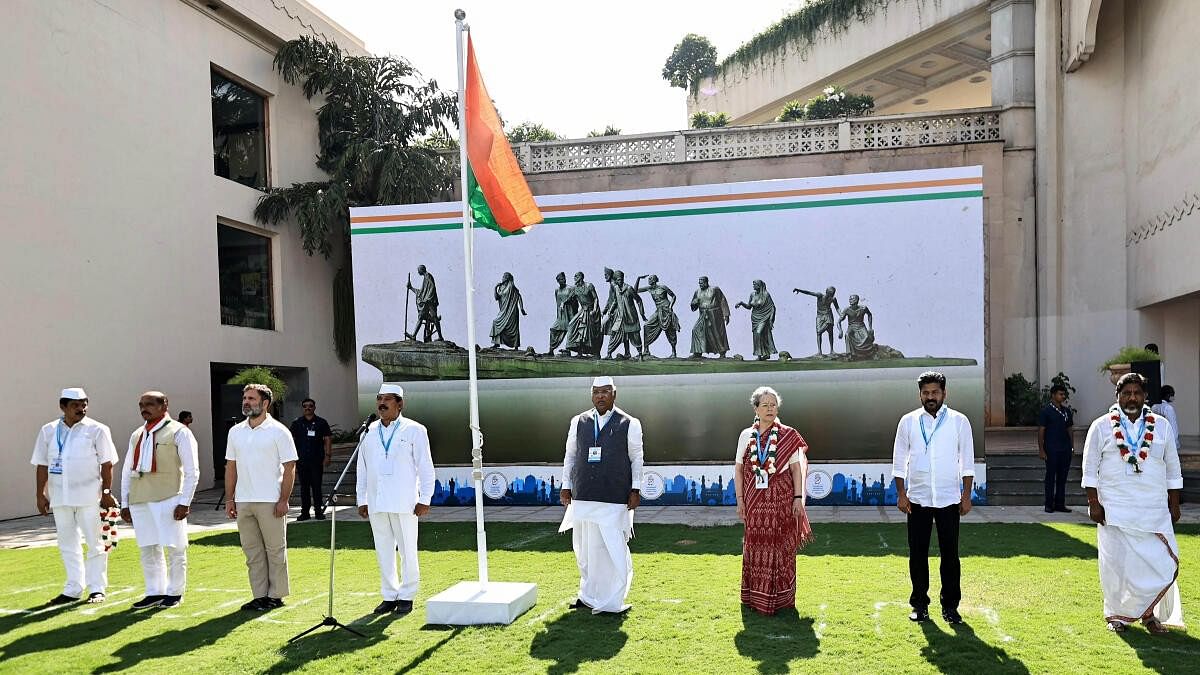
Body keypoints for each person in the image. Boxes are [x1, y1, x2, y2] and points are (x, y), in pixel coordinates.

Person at [1082, 372, 1183, 633]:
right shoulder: (1101, 426)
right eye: (1126, 393)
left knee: (1157, 562)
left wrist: (1175, 503)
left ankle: (1149, 615)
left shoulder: (1161, 426)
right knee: (1117, 565)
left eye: (1137, 392)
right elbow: (1090, 468)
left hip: (1153, 508)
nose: (1132, 397)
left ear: (1145, 396)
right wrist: (1093, 503)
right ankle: (1117, 616)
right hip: (1114, 508)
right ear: (1117, 396)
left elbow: (1173, 468)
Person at [891, 371, 976, 624]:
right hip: (917, 500)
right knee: (917, 555)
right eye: (926, 393)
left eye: (935, 392)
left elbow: (967, 462)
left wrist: (967, 495)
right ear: (920, 394)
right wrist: (901, 494)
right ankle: (919, 605)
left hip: (949, 499)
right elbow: (899, 460)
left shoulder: (959, 421)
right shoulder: (908, 421)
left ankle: (950, 607)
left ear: (944, 394)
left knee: (950, 555)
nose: (930, 397)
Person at [559, 376, 644, 614]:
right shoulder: (579, 421)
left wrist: (635, 489)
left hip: (614, 495)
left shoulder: (630, 423)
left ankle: (613, 600)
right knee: (585, 550)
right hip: (584, 493)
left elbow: (637, 457)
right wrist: (566, 485)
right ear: (591, 394)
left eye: (605, 392)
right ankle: (587, 596)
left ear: (614, 394)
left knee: (613, 549)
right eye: (596, 392)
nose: (600, 396)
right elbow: (570, 455)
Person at [30, 387, 120, 605]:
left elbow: (107, 463)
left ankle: (97, 588)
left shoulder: (97, 429)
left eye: (84, 404)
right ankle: (73, 588)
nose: (81, 409)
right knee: (67, 543)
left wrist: (106, 493)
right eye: (75, 405)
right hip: (60, 497)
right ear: (63, 407)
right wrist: (40, 494)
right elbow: (42, 464)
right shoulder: (49, 430)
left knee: (95, 542)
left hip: (90, 496)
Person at [356, 384, 436, 614]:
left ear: (400, 404)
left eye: (387, 399)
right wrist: (362, 499)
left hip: (405, 501)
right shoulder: (368, 431)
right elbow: (362, 468)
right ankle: (389, 595)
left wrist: (425, 498)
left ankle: (407, 595)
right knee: (383, 550)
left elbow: (425, 467)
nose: (382, 403)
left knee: (407, 550)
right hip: (376, 501)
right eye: (379, 398)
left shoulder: (415, 430)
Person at [733, 386, 813, 615]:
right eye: (765, 405)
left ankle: (782, 599)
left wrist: (798, 498)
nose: (770, 409)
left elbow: (797, 469)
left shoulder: (788, 434)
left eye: (773, 405)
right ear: (755, 409)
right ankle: (754, 597)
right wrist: (740, 500)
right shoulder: (746, 436)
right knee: (755, 547)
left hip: (783, 501)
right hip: (754, 504)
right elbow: (738, 469)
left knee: (782, 549)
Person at [120, 391, 199, 609]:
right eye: (141, 405)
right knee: (148, 548)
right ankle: (154, 592)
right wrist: (125, 503)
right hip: (140, 499)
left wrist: (185, 501)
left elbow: (192, 470)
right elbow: (127, 470)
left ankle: (174, 592)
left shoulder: (179, 432)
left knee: (175, 547)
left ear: (164, 405)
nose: (144, 408)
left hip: (169, 497)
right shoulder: (137, 434)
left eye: (149, 404)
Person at [224, 384, 298, 612]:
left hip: (270, 500)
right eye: (245, 398)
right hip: (244, 501)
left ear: (265, 403)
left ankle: (275, 595)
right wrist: (230, 499)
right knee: (252, 552)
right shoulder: (235, 432)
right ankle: (259, 595)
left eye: (252, 398)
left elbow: (290, 467)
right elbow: (231, 467)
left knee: (275, 550)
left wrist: (284, 499)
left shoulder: (279, 431)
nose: (246, 402)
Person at [289, 398, 332, 521]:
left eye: (310, 406)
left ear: (314, 407)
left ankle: (318, 511)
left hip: (317, 460)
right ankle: (305, 512)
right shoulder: (297, 423)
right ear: (302, 408)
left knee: (317, 486)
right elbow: (290, 439)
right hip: (301, 460)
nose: (308, 408)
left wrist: (328, 456)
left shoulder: (321, 422)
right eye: (305, 406)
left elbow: (328, 439)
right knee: (304, 487)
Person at [1037, 383, 1075, 513]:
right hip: (1052, 448)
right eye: (1060, 394)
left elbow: (1070, 428)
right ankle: (1049, 504)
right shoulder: (1046, 411)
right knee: (1050, 477)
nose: (1063, 396)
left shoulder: (1066, 411)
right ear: (1053, 395)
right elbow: (1041, 430)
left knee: (1062, 477)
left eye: (1064, 394)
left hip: (1065, 448)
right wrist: (1041, 449)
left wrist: (1072, 446)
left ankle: (1060, 503)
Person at [603, 271, 646, 359]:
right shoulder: (615, 288)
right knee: (615, 333)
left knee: (635, 336)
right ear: (615, 280)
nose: (620, 281)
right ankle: (609, 354)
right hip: (621, 317)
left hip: (631, 317)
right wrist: (610, 311)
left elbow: (639, 300)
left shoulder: (629, 288)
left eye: (621, 279)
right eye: (618, 280)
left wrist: (642, 314)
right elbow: (615, 301)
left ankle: (640, 355)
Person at [635, 274, 680, 358]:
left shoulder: (663, 287)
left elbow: (673, 296)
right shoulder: (649, 288)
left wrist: (670, 307)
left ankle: (674, 352)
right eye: (649, 279)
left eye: (650, 279)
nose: (649, 280)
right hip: (658, 310)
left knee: (670, 330)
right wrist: (638, 279)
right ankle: (646, 350)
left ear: (655, 280)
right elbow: (635, 290)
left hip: (667, 310)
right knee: (646, 325)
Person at [689, 276, 731, 358]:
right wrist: (694, 303)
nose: (700, 285)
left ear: (706, 282)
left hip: (715, 314)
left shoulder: (715, 289)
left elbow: (722, 300)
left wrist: (726, 314)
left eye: (702, 283)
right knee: (696, 330)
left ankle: (722, 352)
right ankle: (697, 352)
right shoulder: (697, 292)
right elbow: (693, 307)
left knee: (717, 332)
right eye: (699, 283)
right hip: (703, 314)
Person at [735, 280, 777, 361]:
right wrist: (741, 303)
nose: (753, 286)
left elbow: (772, 308)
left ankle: (763, 353)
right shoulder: (752, 294)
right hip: (755, 318)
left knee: (759, 333)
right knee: (756, 335)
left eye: (755, 284)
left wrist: (771, 320)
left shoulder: (766, 294)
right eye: (753, 284)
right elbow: (749, 306)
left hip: (764, 316)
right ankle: (761, 355)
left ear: (759, 285)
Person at [792, 286, 840, 355]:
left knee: (830, 332)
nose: (831, 295)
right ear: (826, 292)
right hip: (819, 316)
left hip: (828, 315)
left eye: (832, 294)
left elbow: (837, 308)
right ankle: (819, 351)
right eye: (830, 294)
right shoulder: (820, 295)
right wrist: (799, 290)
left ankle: (831, 350)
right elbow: (809, 293)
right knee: (818, 332)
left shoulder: (833, 299)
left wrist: (841, 314)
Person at [564, 271, 601, 357]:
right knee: (572, 325)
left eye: (576, 276)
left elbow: (595, 298)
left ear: (580, 277)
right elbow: (569, 298)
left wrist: (595, 309)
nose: (574, 278)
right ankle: (578, 351)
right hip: (582, 311)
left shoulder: (589, 286)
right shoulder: (574, 288)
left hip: (591, 311)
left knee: (589, 332)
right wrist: (563, 303)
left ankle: (595, 352)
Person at [407, 264, 444, 342]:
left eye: (418, 270)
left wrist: (427, 298)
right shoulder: (425, 278)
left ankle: (440, 337)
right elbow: (421, 292)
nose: (417, 272)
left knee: (434, 318)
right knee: (420, 317)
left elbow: (432, 287)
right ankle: (413, 336)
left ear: (421, 270)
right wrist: (411, 288)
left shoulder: (428, 276)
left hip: (430, 301)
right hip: (426, 302)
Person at [490, 272, 527, 349]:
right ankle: (496, 343)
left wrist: (522, 308)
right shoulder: (501, 287)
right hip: (504, 310)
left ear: (508, 278)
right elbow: (497, 298)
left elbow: (519, 296)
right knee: (496, 322)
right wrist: (495, 288)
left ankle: (516, 345)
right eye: (503, 276)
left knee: (513, 328)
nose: (503, 277)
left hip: (512, 309)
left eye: (505, 276)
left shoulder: (511, 286)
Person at [837, 294, 876, 359]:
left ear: (857, 300)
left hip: (861, 326)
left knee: (866, 337)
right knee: (847, 335)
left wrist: (870, 327)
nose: (850, 300)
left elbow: (869, 315)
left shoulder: (863, 308)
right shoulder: (847, 309)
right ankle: (849, 354)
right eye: (850, 299)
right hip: (851, 326)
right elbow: (839, 321)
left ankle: (867, 353)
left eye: (852, 299)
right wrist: (840, 330)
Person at [548, 272, 577, 355]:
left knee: (571, 332)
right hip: (561, 315)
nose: (563, 280)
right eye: (560, 279)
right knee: (553, 329)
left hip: (570, 313)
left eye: (563, 279)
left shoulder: (571, 288)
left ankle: (569, 350)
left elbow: (575, 302)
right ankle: (551, 349)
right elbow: (557, 303)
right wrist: (558, 315)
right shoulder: (557, 290)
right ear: (558, 281)